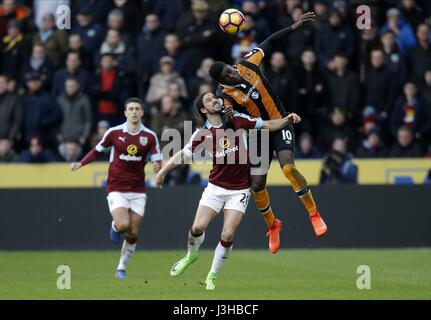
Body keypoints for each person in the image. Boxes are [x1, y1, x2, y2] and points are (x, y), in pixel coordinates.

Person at [154, 92, 301, 290]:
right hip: (215, 187)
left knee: (228, 234)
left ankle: (212, 275)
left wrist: (286, 120)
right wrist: (163, 172)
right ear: (203, 110)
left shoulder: (237, 120)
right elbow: (182, 154)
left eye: (215, 97)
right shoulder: (202, 134)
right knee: (197, 229)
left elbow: (267, 124)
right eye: (208, 100)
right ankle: (191, 255)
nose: (214, 100)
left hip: (239, 190)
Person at [209, 12, 327, 254]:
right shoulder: (225, 97)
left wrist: (293, 26)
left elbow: (270, 41)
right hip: (259, 134)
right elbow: (232, 125)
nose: (234, 73)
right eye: (228, 75)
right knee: (257, 185)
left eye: (231, 70)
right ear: (222, 82)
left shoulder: (246, 63)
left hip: (280, 122)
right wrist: (229, 120)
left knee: (288, 168)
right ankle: (273, 225)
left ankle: (314, 213)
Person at [70, 98, 162, 279]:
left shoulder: (150, 136)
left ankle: (121, 268)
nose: (134, 112)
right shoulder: (114, 133)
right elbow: (97, 150)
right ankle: (114, 226)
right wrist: (80, 163)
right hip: (117, 187)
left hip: (138, 189)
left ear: (142, 112)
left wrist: (158, 168)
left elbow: (157, 157)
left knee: (133, 232)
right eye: (131, 109)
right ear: (125, 113)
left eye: (137, 109)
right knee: (123, 225)